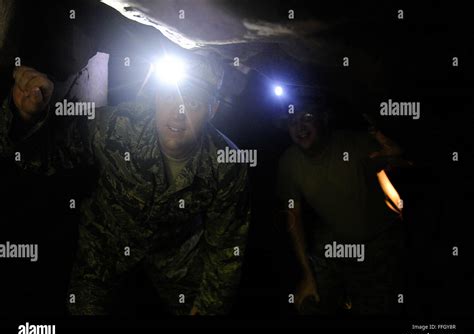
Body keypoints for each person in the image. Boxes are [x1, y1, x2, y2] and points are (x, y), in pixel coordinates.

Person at [0, 53, 250, 315]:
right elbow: (42, 156)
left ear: (213, 110)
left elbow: (226, 247)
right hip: (105, 242)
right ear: (156, 97)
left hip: (174, 252)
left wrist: (208, 308)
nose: (178, 112)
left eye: (194, 102)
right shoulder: (119, 125)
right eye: (170, 96)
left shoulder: (227, 164)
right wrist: (25, 118)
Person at [277, 95, 406, 316]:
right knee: (308, 303)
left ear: (322, 119)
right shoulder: (289, 162)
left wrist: (398, 157)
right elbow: (293, 217)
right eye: (292, 121)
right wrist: (307, 275)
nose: (300, 127)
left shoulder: (354, 143)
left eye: (306, 118)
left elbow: (397, 162)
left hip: (379, 243)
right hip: (334, 241)